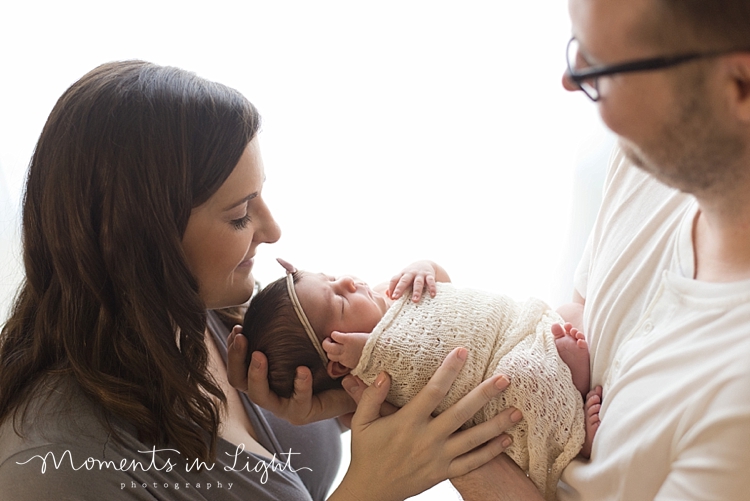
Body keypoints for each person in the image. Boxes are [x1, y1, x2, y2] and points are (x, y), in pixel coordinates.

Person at [0, 60, 523, 501]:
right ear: (141, 240)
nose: (273, 230)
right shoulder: (52, 467)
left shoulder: (216, 319)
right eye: (239, 215)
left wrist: (348, 402)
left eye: (260, 197)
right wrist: (366, 490)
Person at [447, 0, 750, 499]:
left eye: (602, 66)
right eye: (577, 46)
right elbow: (586, 325)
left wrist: (449, 444)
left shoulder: (736, 410)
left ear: (738, 86)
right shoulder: (648, 161)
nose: (570, 81)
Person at [242, 258, 600, 500]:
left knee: (568, 314)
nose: (349, 282)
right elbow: (426, 355)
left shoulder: (389, 292)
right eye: (339, 302)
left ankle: (567, 378)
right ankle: (572, 435)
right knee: (525, 382)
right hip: (511, 377)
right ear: (338, 359)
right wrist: (372, 351)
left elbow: (443, 286)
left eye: (333, 279)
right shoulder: (376, 384)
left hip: (517, 328)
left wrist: (423, 268)